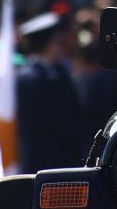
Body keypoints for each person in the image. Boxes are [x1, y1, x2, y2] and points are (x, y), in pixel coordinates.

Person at [16, 11, 86, 173]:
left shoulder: (58, 72)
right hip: (43, 161)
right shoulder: (31, 77)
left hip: (65, 158)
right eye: (57, 41)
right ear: (48, 43)